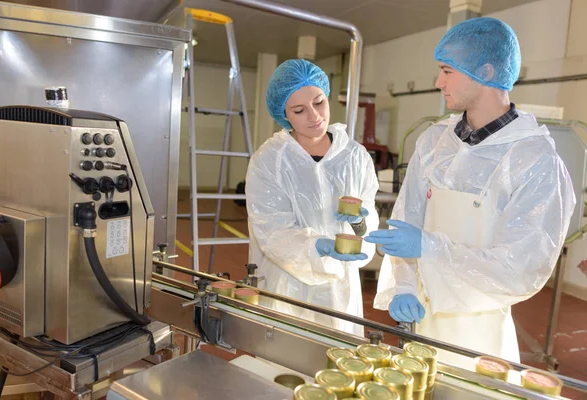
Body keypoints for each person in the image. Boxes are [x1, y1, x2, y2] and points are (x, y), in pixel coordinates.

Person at [368, 17, 576, 368]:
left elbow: (520, 269)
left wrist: (430, 247)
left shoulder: (534, 158)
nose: (438, 82)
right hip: (423, 319)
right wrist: (403, 285)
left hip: (483, 335)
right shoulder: (435, 141)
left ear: (487, 71)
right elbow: (407, 221)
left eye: (447, 71)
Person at [246, 59, 379, 336]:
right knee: (286, 360)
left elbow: (368, 216)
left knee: (340, 359)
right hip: (288, 285)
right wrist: (316, 247)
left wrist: (360, 224)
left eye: (319, 102)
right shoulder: (270, 160)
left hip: (341, 288)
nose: (314, 116)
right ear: (285, 115)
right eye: (299, 110)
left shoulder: (354, 156)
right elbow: (271, 231)